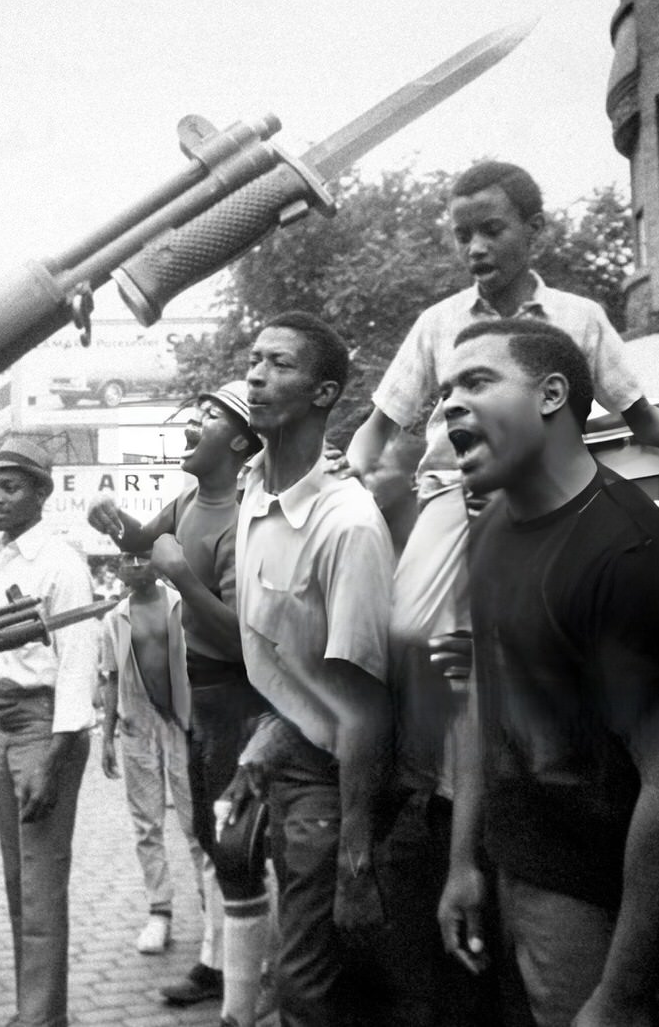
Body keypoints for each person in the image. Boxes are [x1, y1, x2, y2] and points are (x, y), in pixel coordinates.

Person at [434, 318, 659, 1027]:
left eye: (476, 382)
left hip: (599, 903)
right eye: (444, 391)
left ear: (552, 395)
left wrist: (621, 992)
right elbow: (478, 698)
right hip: (509, 873)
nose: (448, 405)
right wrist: (464, 862)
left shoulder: (632, 556)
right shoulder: (492, 528)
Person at [346, 159, 659, 668]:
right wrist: (347, 475)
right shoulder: (438, 324)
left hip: (556, 500)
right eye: (462, 235)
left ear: (534, 229)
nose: (475, 248)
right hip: (455, 495)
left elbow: (642, 419)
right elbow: (379, 425)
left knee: (604, 622)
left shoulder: (580, 318)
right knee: (409, 632)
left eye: (491, 230)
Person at [230, 312, 415, 1027]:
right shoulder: (254, 488)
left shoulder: (348, 525)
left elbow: (365, 707)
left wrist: (355, 856)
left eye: (279, 364)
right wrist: (265, 742)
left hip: (337, 779)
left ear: (325, 392)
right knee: (300, 972)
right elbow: (281, 653)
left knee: (308, 985)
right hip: (289, 756)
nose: (255, 374)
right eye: (253, 359)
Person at [88, 382, 273, 1027]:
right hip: (199, 703)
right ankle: (217, 965)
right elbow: (143, 542)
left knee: (236, 845)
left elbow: (244, 640)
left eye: (210, 416)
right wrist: (114, 522)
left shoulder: (249, 516)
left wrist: (181, 577)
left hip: (237, 703)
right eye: (195, 414)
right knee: (207, 835)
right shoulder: (191, 497)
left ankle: (245, 996)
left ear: (243, 443)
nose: (193, 423)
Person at [0, 437, 98, 1027]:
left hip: (48, 732)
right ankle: (34, 1010)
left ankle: (41, 1018)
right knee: (19, 884)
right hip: (7, 730)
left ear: (42, 492)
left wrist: (55, 758)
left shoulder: (62, 562)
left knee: (42, 884)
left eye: (10, 486)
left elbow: (77, 664)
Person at [97, 554, 205, 956]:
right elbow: (110, 676)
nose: (136, 565)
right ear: (118, 567)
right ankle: (159, 911)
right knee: (146, 823)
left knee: (196, 820)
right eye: (128, 559)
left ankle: (211, 906)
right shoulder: (115, 618)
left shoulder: (182, 607)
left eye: (145, 557)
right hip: (136, 725)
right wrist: (106, 735)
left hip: (180, 722)